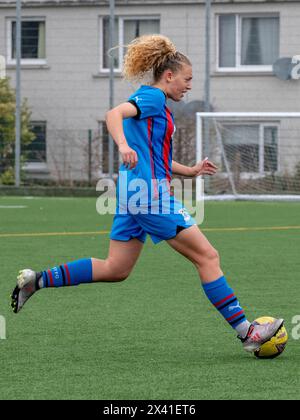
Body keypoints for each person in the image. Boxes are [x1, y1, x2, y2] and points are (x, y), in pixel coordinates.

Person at [11, 35, 283, 353]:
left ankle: (37, 280)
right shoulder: (153, 98)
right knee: (207, 257)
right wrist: (122, 146)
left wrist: (190, 171)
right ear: (169, 76)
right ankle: (247, 332)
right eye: (187, 79)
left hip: (132, 194)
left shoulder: (155, 105)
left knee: (116, 269)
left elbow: (158, 157)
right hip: (149, 196)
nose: (189, 86)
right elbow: (113, 114)